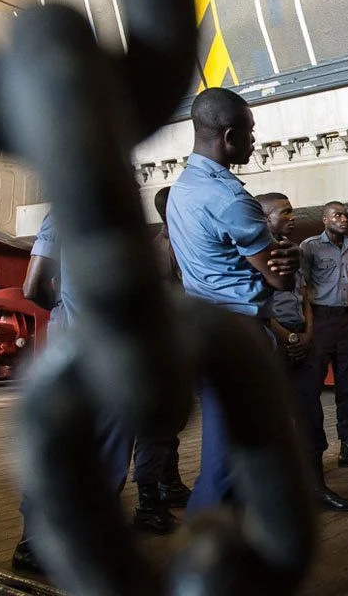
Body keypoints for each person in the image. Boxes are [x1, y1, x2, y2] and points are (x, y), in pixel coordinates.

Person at [12, 211, 177, 574]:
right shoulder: (64, 217)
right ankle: (39, 541)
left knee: (102, 447)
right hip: (85, 350)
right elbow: (33, 286)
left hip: (109, 350)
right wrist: (66, 313)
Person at [166, 87, 299, 518]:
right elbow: (278, 278)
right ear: (228, 137)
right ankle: (200, 566)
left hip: (205, 329)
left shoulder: (183, 188)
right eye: (250, 133)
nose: (254, 141)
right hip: (238, 339)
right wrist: (290, 259)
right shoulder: (230, 199)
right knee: (227, 463)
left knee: (233, 453)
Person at [257, 192, 348, 512]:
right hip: (274, 341)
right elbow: (256, 307)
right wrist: (288, 338)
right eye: (284, 213)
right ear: (265, 217)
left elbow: (304, 297)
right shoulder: (257, 254)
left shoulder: (293, 252)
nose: (292, 217)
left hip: (301, 338)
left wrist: (307, 334)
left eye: (292, 212)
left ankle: (316, 487)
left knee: (310, 414)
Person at [300, 201, 348, 470]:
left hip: (347, 321)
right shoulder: (310, 247)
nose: (343, 219)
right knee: (312, 388)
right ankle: (311, 454)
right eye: (337, 215)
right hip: (320, 320)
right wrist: (308, 325)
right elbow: (303, 288)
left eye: (346, 215)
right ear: (324, 219)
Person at [146, 186, 192, 509]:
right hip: (164, 344)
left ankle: (169, 483)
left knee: (171, 423)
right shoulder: (161, 249)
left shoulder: (175, 241)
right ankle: (153, 496)